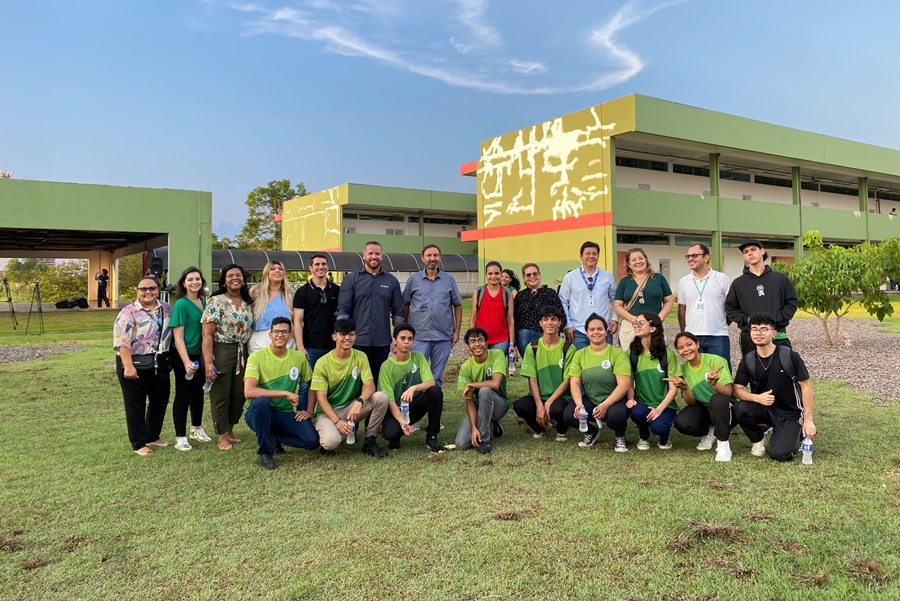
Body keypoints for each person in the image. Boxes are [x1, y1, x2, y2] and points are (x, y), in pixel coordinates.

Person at [732, 313, 817, 461]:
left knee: (779, 454)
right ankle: (758, 440)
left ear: (774, 333)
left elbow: (806, 386)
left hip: (790, 413)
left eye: (764, 329)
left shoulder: (789, 356)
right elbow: (737, 389)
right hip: (764, 408)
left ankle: (798, 434)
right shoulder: (749, 359)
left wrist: (808, 420)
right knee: (740, 408)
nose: (758, 333)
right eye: (754, 329)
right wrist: (757, 398)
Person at [243, 317, 320, 470]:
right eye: (276, 331)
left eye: (284, 332)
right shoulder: (256, 357)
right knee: (263, 401)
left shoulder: (298, 357)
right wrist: (285, 393)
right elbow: (249, 391)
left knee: (312, 442)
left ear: (290, 335)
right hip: (258, 412)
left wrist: (310, 411)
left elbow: (313, 385)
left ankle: (273, 436)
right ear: (270, 334)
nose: (280, 335)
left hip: (284, 412)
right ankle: (265, 452)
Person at [309, 319, 389, 458]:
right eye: (343, 334)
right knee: (330, 442)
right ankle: (327, 434)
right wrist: (337, 421)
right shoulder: (322, 363)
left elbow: (370, 386)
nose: (347, 338)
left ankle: (370, 440)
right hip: (328, 412)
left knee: (381, 397)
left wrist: (359, 401)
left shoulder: (361, 356)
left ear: (355, 336)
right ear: (334, 337)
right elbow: (321, 399)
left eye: (351, 334)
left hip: (351, 409)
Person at [112, 275, 171, 455]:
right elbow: (122, 342)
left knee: (159, 401)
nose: (148, 292)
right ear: (137, 291)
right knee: (135, 404)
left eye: (152, 288)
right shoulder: (128, 312)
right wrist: (128, 366)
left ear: (158, 290)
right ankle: (139, 443)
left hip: (159, 361)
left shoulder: (166, 308)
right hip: (135, 361)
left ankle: (152, 435)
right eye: (143, 289)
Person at [201, 264, 253, 451]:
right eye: (230, 275)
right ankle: (222, 435)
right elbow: (207, 334)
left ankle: (230, 429)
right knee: (221, 394)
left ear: (243, 279)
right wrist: (209, 362)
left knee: (239, 393)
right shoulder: (216, 301)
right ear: (224, 280)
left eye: (238, 275)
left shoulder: (247, 301)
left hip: (242, 350)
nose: (235, 278)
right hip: (222, 349)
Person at [336, 241, 403, 384]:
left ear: (382, 256)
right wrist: (342, 337)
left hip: (382, 341)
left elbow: (398, 313)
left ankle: (377, 400)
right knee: (355, 381)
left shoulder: (392, 281)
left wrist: (398, 339)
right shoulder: (351, 279)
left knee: (379, 379)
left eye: (377, 253)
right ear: (364, 256)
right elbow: (343, 312)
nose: (374, 256)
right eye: (370, 253)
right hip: (358, 341)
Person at [563, 313, 632, 451]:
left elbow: (624, 384)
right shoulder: (579, 354)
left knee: (615, 417)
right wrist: (579, 405)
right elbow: (575, 383)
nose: (596, 332)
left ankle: (620, 436)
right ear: (586, 333)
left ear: (606, 331)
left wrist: (605, 405)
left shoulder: (617, 354)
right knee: (568, 415)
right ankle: (591, 432)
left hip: (614, 400)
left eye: (600, 329)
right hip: (591, 398)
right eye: (592, 329)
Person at [378, 323, 447, 452]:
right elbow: (390, 401)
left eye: (410, 339)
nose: (406, 342)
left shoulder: (418, 357)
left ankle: (432, 437)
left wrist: (413, 388)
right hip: (395, 408)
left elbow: (431, 382)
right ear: (394, 340)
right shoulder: (386, 366)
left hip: (413, 406)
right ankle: (396, 435)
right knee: (391, 434)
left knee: (435, 391)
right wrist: (402, 421)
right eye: (402, 338)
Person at [402, 244, 462, 388]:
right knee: (416, 374)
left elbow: (457, 304)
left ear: (440, 258)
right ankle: (417, 400)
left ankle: (435, 401)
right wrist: (406, 328)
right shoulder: (413, 280)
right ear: (423, 258)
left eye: (435, 255)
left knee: (437, 376)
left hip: (442, 335)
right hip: (419, 335)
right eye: (429, 255)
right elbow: (405, 304)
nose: (432, 258)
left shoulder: (449, 280)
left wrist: (457, 331)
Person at [670, 332, 736, 462]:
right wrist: (685, 388)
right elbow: (691, 403)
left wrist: (715, 384)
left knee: (717, 399)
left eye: (689, 344)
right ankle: (710, 430)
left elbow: (728, 393)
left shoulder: (716, 360)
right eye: (681, 347)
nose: (686, 349)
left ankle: (723, 444)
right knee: (682, 422)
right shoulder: (683, 369)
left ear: (697, 344)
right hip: (704, 407)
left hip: (725, 407)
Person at [725, 239, 798, 356]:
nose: (750, 253)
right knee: (753, 367)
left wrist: (777, 318)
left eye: (753, 249)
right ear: (744, 257)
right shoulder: (738, 283)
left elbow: (792, 302)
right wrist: (747, 319)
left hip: (777, 333)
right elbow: (731, 308)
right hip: (750, 336)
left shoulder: (779, 279)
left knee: (782, 365)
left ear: (762, 251)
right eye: (746, 252)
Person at [512, 305, 574, 441]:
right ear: (540, 323)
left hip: (562, 397)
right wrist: (540, 404)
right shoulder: (532, 347)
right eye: (546, 319)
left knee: (557, 408)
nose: (550, 323)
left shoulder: (568, 348)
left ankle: (561, 430)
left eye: (553, 319)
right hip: (540, 396)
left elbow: (567, 380)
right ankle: (539, 428)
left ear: (559, 322)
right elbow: (532, 379)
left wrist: (548, 403)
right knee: (519, 406)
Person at [169, 266, 212, 451]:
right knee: (183, 394)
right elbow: (178, 337)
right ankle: (180, 437)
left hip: (199, 354)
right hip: (183, 354)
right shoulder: (181, 304)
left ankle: (196, 428)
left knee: (198, 392)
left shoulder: (203, 302)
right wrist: (186, 361)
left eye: (197, 279)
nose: (194, 282)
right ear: (184, 283)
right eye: (190, 279)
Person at [626, 312, 680, 450]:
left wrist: (659, 410)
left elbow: (673, 389)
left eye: (641, 323)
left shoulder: (667, 354)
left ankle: (664, 438)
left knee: (659, 427)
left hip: (665, 405)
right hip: (642, 404)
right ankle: (643, 435)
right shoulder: (631, 354)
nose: (636, 326)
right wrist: (631, 398)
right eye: (635, 323)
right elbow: (629, 382)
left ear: (652, 328)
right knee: (637, 412)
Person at [677, 244, 733, 371]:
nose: (690, 259)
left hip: (718, 335)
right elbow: (682, 309)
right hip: (693, 337)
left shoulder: (722, 279)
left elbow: (731, 306)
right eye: (688, 256)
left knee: (721, 372)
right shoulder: (683, 282)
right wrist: (684, 333)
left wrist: (722, 324)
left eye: (694, 255)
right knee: (697, 373)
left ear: (706, 257)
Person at [455, 327, 510, 454]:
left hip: (499, 405)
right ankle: (492, 424)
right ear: (468, 347)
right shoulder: (466, 367)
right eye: (473, 341)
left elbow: (495, 384)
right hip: (479, 407)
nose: (477, 344)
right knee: (461, 444)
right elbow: (469, 402)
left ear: (486, 343)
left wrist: (471, 384)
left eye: (480, 340)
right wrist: (474, 428)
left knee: (485, 390)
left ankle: (484, 440)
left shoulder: (497, 354)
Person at [559, 241, 618, 349]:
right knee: (577, 359)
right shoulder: (570, 277)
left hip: (602, 330)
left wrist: (614, 318)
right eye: (587, 253)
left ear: (598, 256)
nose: (591, 256)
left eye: (594, 254)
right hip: (577, 331)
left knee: (605, 359)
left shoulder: (607, 276)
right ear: (581, 256)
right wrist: (568, 324)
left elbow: (615, 299)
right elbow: (563, 301)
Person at [614, 247, 674, 350]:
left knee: (656, 355)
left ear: (646, 260)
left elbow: (669, 301)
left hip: (653, 325)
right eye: (633, 260)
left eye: (640, 258)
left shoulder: (658, 278)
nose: (638, 262)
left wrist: (659, 317)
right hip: (631, 326)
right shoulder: (625, 281)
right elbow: (618, 305)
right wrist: (632, 319)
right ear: (629, 264)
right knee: (631, 356)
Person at [512, 263, 567, 355]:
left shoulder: (550, 293)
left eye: (535, 274)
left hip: (546, 335)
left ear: (539, 275)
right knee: (528, 361)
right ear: (524, 278)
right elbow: (513, 318)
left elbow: (561, 315)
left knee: (545, 361)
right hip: (523, 337)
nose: (532, 277)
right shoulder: (520, 296)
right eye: (528, 275)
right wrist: (512, 343)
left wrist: (555, 331)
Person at [469, 261, 515, 356]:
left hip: (501, 340)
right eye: (490, 273)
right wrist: (471, 340)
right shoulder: (478, 292)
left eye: (496, 273)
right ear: (486, 274)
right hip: (480, 339)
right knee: (481, 365)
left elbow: (510, 320)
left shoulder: (507, 294)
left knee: (497, 365)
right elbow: (473, 317)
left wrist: (511, 344)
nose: (493, 276)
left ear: (501, 274)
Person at [248, 261, 294, 355]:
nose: (277, 271)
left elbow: (297, 320)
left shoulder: (291, 294)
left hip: (284, 339)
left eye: (280, 269)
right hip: (259, 340)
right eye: (272, 269)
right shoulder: (256, 292)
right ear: (266, 273)